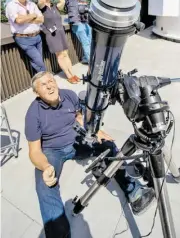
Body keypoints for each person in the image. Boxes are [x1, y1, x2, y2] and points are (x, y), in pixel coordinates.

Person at [25, 71, 155, 238]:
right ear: (36, 93)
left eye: (51, 81)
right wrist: (45, 166)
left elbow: (80, 117)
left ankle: (134, 192)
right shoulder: (33, 114)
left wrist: (97, 131)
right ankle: (59, 233)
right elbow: (34, 151)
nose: (50, 85)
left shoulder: (68, 95)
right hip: (53, 150)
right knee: (45, 184)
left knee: (108, 146)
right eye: (43, 85)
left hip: (77, 140)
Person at [38, 0, 80, 84]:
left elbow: (63, 1)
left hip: (61, 32)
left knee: (66, 54)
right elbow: (41, 0)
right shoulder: (42, 8)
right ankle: (68, 76)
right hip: (51, 34)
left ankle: (72, 74)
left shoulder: (55, 7)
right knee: (60, 56)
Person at [6, 0, 46, 73]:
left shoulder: (32, 4)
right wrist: (33, 15)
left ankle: (38, 84)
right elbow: (18, 21)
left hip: (37, 37)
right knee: (39, 63)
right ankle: (45, 82)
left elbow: (41, 19)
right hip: (24, 39)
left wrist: (25, 18)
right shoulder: (11, 5)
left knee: (38, 62)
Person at [63, 0, 92, 64]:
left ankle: (85, 57)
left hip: (86, 21)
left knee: (90, 41)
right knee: (86, 42)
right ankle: (90, 61)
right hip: (77, 23)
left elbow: (86, 8)